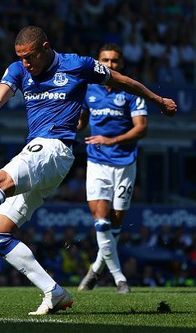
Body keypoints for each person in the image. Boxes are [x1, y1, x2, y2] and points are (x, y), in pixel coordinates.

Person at [0, 26, 177, 315]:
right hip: (40, 154)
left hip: (55, 148)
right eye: (21, 58)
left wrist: (158, 101)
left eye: (30, 57)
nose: (26, 64)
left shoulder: (76, 64)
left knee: (0, 180)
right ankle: (53, 292)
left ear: (45, 47)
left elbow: (122, 81)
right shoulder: (18, 69)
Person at [76, 44, 148, 294]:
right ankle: (120, 279)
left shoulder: (130, 90)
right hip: (97, 163)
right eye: (105, 60)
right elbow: (81, 123)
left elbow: (141, 129)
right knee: (101, 222)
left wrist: (111, 140)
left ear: (121, 64)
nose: (109, 65)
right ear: (98, 62)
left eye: (115, 61)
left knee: (115, 225)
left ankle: (95, 271)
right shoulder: (88, 89)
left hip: (125, 163)